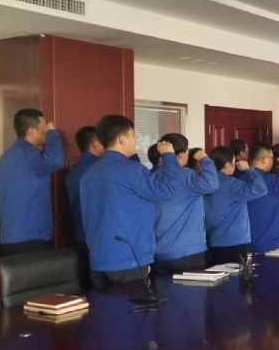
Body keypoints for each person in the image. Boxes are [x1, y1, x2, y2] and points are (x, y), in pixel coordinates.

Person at [80, 115, 179, 289]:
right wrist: (169, 156)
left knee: (103, 306)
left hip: (98, 260)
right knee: (132, 306)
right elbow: (168, 190)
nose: (136, 141)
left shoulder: (88, 174)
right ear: (122, 138)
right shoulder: (132, 171)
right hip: (128, 260)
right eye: (133, 136)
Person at [0, 108, 64, 255]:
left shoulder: (6, 157)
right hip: (30, 238)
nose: (46, 130)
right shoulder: (30, 155)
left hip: (10, 237)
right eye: (44, 127)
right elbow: (56, 160)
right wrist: (52, 133)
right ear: (31, 131)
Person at [153, 133, 218, 274]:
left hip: (160, 252)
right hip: (189, 253)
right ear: (182, 154)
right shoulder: (185, 175)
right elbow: (212, 183)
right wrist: (203, 157)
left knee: (164, 288)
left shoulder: (153, 177)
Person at [204, 146, 267, 264]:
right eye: (234, 161)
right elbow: (261, 189)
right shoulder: (232, 184)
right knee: (242, 275)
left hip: (213, 242)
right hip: (237, 243)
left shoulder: (206, 183)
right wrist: (249, 169)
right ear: (227, 164)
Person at [64, 126, 104, 289]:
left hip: (80, 235)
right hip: (98, 238)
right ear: (95, 143)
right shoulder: (99, 170)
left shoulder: (73, 171)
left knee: (86, 287)